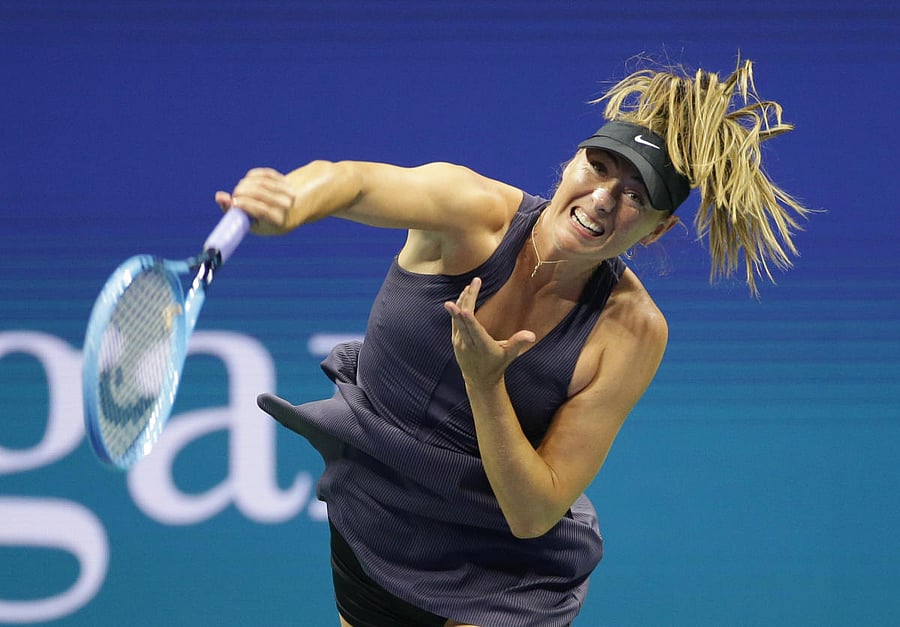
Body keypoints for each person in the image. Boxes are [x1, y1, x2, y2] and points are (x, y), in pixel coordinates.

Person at [215, 59, 810, 627]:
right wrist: (291, 202)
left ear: (659, 229)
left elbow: (533, 512)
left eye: (635, 194)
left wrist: (485, 380)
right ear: (572, 161)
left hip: (509, 570)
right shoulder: (470, 212)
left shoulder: (630, 332)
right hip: (376, 523)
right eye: (599, 166)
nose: (603, 197)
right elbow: (350, 182)